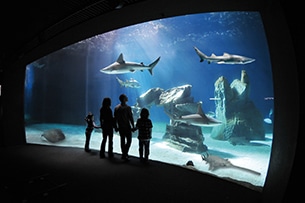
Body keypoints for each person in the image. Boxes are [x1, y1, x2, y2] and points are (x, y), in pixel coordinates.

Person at [114, 94, 136, 160]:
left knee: (122, 140)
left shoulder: (116, 108)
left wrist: (115, 127)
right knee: (129, 141)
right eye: (126, 97)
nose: (127, 97)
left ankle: (124, 153)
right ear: (124, 99)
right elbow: (130, 118)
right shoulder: (128, 108)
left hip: (120, 127)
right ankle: (125, 153)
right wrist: (133, 126)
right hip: (127, 127)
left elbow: (115, 119)